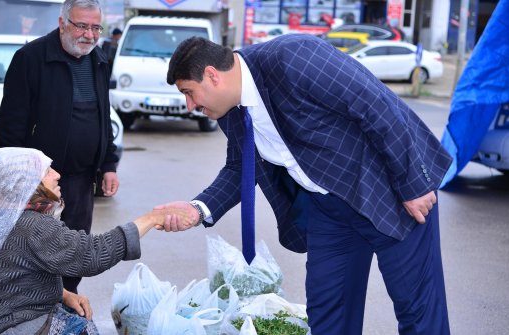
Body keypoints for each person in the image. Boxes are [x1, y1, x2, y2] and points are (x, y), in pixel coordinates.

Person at [158, 35, 453, 334]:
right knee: (327, 315)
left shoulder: (293, 57)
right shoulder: (229, 111)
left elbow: (375, 104)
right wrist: (197, 209)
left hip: (388, 190)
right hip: (329, 211)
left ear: (212, 75)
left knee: (417, 311)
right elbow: (240, 167)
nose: (189, 105)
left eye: (189, 92)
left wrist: (412, 183)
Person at [0, 147, 187, 335]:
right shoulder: (33, 226)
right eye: (46, 171)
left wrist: (62, 293)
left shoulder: (0, 217)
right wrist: (152, 219)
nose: (57, 174)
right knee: (82, 329)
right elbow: (90, 255)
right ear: (27, 185)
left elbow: (9, 278)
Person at [0, 0, 118, 294]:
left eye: (95, 27)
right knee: (36, 252)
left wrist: (109, 165)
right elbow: (10, 127)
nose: (89, 35)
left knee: (75, 250)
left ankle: (68, 301)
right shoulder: (30, 58)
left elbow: (103, 116)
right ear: (62, 23)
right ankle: (34, 307)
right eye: (81, 26)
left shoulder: (98, 60)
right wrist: (22, 179)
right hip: (41, 183)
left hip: (81, 179)